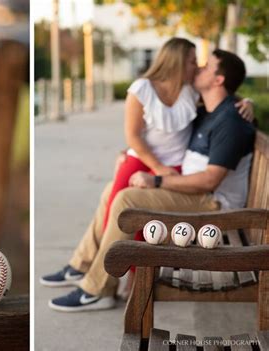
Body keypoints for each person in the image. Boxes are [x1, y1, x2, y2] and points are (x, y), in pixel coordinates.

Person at [41, 48, 255, 312]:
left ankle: (99, 289)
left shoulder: (230, 121)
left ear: (218, 80)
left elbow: (210, 181)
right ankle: (82, 264)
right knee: (113, 190)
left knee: (127, 198)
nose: (198, 68)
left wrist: (156, 181)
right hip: (195, 193)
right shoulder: (209, 110)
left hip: (214, 204)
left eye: (206, 66)